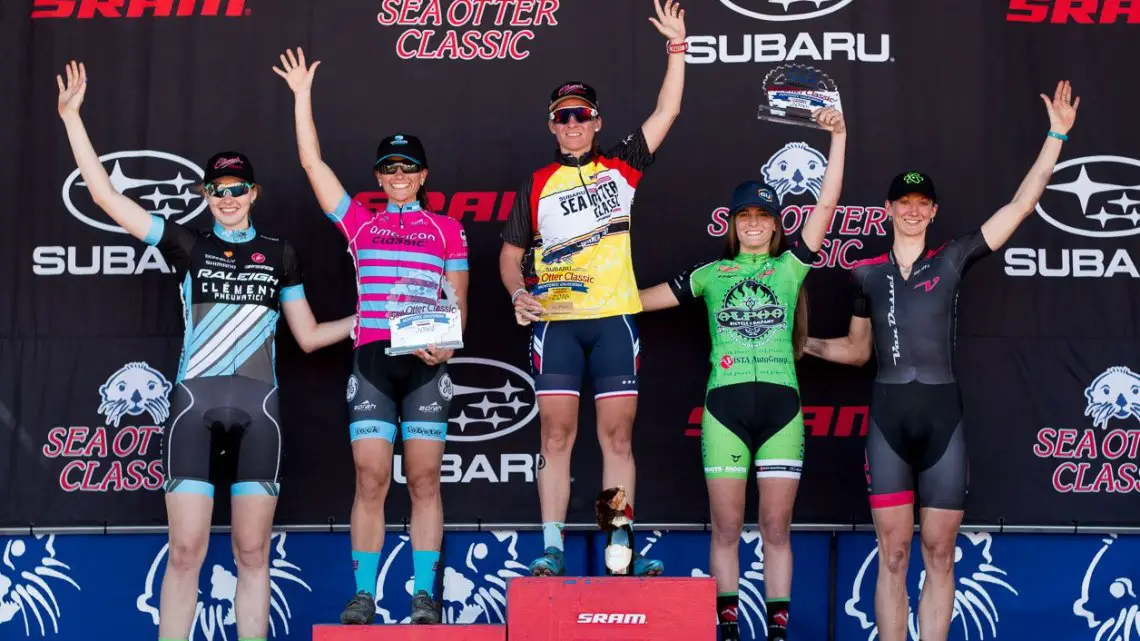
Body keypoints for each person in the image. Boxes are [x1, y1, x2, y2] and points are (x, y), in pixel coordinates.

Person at [55, 61, 355, 641]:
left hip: (260, 414)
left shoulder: (279, 252)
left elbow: (311, 336)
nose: (228, 199)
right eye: (217, 191)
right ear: (206, 195)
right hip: (194, 408)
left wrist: (372, 319)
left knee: (252, 554)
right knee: (186, 552)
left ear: (253, 193)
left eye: (237, 189)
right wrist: (72, 119)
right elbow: (104, 196)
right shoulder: (187, 244)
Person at [802, 81, 1080, 641]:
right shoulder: (866, 273)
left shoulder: (952, 260)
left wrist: (1056, 136)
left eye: (920, 204)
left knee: (939, 553)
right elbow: (858, 352)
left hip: (942, 421)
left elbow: (1021, 205)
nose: (911, 211)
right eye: (902, 203)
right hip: (887, 418)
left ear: (933, 212)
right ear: (887, 210)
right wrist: (803, 344)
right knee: (894, 554)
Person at [274, 48, 470, 625]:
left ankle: (424, 595)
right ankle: (364, 591)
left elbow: (457, 299)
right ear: (379, 177)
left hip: (428, 361)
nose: (400, 177)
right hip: (372, 361)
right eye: (390, 169)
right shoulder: (361, 221)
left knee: (427, 479)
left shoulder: (449, 229)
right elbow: (313, 165)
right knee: (370, 476)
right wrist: (302, 95)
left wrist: (450, 344)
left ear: (424, 175)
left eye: (408, 169)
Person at [638, 108, 847, 641]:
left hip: (782, 411)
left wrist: (838, 138)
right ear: (732, 224)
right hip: (723, 411)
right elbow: (636, 301)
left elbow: (826, 203)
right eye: (744, 215)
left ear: (776, 224)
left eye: (762, 215)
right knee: (727, 527)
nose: (753, 222)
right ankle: (726, 629)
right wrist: (569, 298)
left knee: (777, 528)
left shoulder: (790, 267)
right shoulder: (710, 274)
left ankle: (778, 631)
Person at [498, 0, 687, 577]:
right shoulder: (535, 182)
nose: (573, 124)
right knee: (555, 436)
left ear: (597, 121)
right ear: (552, 124)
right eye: (563, 116)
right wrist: (515, 294)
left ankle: (618, 543)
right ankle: (552, 546)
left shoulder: (622, 168)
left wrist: (678, 49)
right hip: (556, 320)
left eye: (581, 115)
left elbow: (668, 110)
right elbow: (510, 256)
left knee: (616, 438)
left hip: (614, 319)